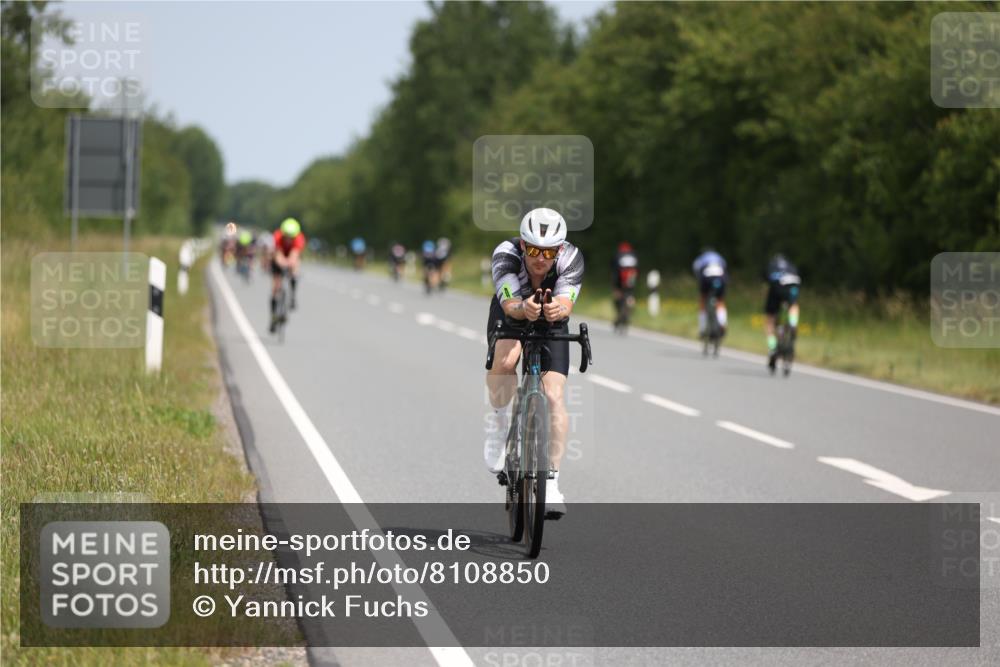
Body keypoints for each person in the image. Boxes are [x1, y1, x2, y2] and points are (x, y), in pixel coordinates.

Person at [484, 207, 584, 518]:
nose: (541, 258)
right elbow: (511, 303)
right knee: (508, 358)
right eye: (535, 250)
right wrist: (521, 307)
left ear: (560, 249)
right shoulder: (506, 254)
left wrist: (559, 310)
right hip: (513, 309)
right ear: (524, 245)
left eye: (549, 251)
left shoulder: (572, 258)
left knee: (553, 395)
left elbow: (566, 302)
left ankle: (551, 480)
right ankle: (499, 426)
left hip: (549, 317)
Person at [763, 253, 801, 371]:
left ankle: (773, 347)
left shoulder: (772, 265)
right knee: (793, 305)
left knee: (769, 319)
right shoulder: (791, 265)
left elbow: (767, 282)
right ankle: (793, 323)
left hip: (777, 285)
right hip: (793, 282)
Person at [270, 218, 305, 333]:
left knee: (295, 270)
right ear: (283, 234)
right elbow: (278, 254)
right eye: (287, 237)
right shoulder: (277, 236)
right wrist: (282, 263)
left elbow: (295, 255)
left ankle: (293, 296)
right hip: (279, 256)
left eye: (292, 237)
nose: (289, 239)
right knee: (276, 287)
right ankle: (274, 316)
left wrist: (291, 265)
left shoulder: (299, 239)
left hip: (291, 256)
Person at [692, 247, 728, 338]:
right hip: (721, 278)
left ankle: (702, 329)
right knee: (720, 301)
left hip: (706, 279)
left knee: (703, 301)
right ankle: (723, 324)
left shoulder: (701, 258)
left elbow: (697, 271)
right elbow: (725, 268)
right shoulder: (719, 257)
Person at [611, 242, 639, 333]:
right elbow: (637, 271)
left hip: (619, 282)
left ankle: (619, 318)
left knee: (618, 301)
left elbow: (614, 272)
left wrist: (615, 287)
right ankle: (625, 315)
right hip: (631, 282)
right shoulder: (633, 255)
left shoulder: (618, 255)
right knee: (629, 300)